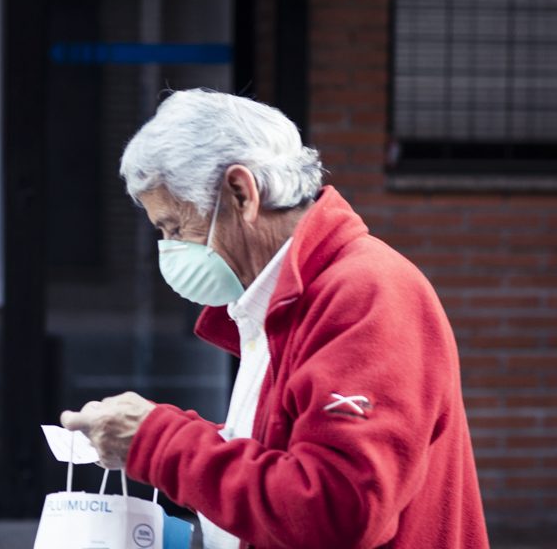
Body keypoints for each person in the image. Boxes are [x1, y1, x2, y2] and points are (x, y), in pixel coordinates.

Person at [60, 89, 489, 549]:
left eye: (175, 227)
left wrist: (158, 441)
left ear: (241, 193)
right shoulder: (285, 297)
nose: (168, 247)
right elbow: (281, 464)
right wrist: (157, 435)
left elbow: (336, 508)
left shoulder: (366, 293)